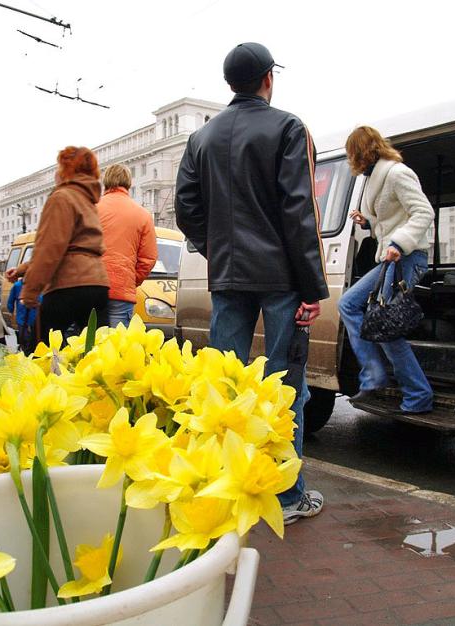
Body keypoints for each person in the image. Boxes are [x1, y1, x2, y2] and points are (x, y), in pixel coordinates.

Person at [175, 42, 329, 525]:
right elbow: (298, 211)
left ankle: (225, 486)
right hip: (282, 277)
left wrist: (218, 247)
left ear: (229, 85)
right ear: (268, 78)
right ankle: (286, 495)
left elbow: (186, 209)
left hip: (228, 278)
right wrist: (312, 288)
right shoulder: (287, 127)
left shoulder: (201, 139)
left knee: (223, 389)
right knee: (284, 387)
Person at [339, 126, 435, 414]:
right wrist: (366, 222)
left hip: (407, 257)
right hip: (390, 259)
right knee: (350, 305)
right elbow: (389, 218)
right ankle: (374, 374)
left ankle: (416, 394)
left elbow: (424, 212)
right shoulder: (374, 179)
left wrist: (399, 242)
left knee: (387, 328)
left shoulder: (396, 173)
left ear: (360, 152)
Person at [16, 146, 110, 342]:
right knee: (97, 351)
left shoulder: (62, 197)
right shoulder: (88, 201)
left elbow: (49, 248)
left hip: (69, 284)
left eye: (59, 167)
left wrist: (30, 291)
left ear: (66, 170)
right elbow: (76, 247)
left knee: (43, 348)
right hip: (97, 283)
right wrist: (24, 269)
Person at [97, 163, 157, 327]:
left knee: (89, 345)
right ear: (129, 183)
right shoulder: (143, 215)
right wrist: (131, 280)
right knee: (118, 347)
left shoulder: (91, 209)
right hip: (122, 291)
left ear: (105, 181)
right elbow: (148, 259)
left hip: (92, 287)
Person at [6, 277, 39, 354]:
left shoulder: (36, 284)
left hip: (34, 316)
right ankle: (25, 352)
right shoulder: (17, 286)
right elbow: (11, 300)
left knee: (33, 338)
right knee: (24, 337)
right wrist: (10, 310)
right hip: (22, 316)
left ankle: (30, 352)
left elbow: (41, 298)